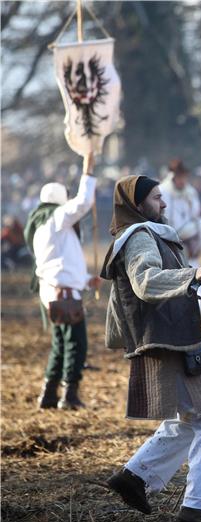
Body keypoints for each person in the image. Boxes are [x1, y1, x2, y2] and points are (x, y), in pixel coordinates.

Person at [100, 175, 201, 522]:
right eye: (157, 198)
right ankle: (198, 511)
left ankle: (135, 477)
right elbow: (145, 281)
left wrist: (191, 276)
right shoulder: (139, 236)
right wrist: (191, 275)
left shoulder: (152, 233)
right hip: (167, 341)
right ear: (137, 203)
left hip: (176, 339)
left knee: (193, 419)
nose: (163, 203)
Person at [25, 153, 99, 410]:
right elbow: (83, 202)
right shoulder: (55, 219)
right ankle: (69, 395)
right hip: (65, 295)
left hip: (57, 292)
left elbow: (61, 263)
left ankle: (48, 394)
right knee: (77, 344)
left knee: (60, 344)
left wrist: (87, 280)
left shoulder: (41, 226)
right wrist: (88, 172)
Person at [160, 159, 201, 308]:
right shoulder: (163, 193)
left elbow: (197, 219)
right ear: (173, 177)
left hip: (190, 244)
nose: (182, 181)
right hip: (170, 244)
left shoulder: (190, 193)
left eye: (184, 177)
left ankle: (197, 311)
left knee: (197, 274)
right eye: (180, 177)